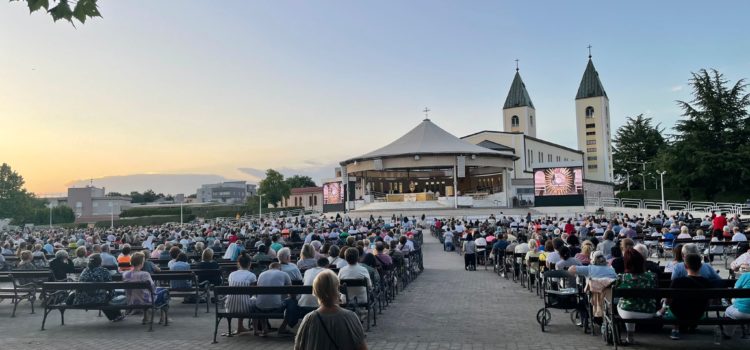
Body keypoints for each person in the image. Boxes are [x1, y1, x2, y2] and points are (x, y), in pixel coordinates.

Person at [294, 270, 367, 350]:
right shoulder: (350, 317)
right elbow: (362, 347)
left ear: (316, 291)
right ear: (337, 289)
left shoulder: (309, 319)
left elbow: (298, 346)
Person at [664, 253, 712, 340]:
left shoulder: (677, 281)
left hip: (677, 314)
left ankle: (675, 328)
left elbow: (668, 300)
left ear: (685, 266)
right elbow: (709, 302)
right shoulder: (707, 282)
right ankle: (692, 326)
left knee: (671, 304)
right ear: (701, 266)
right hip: (698, 314)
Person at [614, 248, 657, 345]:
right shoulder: (652, 276)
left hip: (627, 313)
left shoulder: (622, 277)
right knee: (631, 303)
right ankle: (630, 337)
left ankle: (630, 336)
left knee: (625, 304)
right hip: (648, 312)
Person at [74, 254, 124, 322]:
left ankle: (116, 316)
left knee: (103, 296)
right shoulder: (103, 271)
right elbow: (110, 287)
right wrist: (112, 296)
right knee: (107, 297)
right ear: (100, 262)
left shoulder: (85, 271)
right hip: (97, 300)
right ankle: (116, 316)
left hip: (82, 299)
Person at [254, 262, 293, 336]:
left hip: (260, 307)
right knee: (292, 302)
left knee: (261, 301)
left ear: (270, 268)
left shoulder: (261, 274)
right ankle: (282, 327)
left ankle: (264, 327)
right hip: (276, 308)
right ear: (280, 268)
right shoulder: (284, 274)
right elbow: (291, 292)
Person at [122, 252, 161, 324]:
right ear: (141, 263)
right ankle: (163, 318)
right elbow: (152, 288)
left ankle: (146, 317)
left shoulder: (125, 274)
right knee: (162, 292)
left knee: (141, 292)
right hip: (145, 300)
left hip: (131, 300)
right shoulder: (145, 274)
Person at [225, 252, 257, 335]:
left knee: (240, 297)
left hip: (230, 307)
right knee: (254, 299)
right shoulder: (252, 275)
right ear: (250, 264)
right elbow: (254, 292)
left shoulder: (231, 275)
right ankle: (256, 329)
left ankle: (240, 327)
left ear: (238, 263)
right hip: (244, 308)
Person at [724, 267, 750, 338]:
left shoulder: (746, 275)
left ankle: (728, 333)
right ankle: (748, 331)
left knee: (728, 311)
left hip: (741, 311)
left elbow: (735, 291)